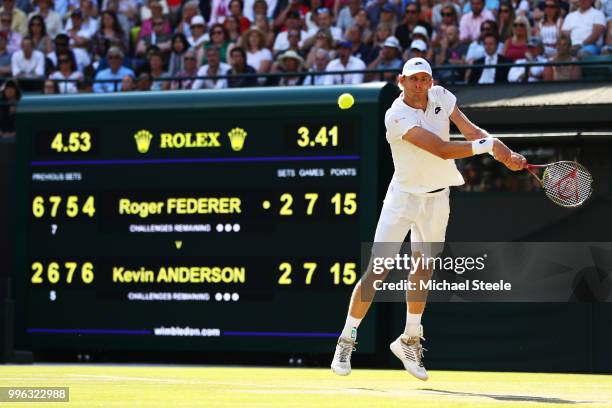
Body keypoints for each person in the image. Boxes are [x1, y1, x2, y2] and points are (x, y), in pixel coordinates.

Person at [330, 57, 526, 380]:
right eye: (413, 79)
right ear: (401, 81)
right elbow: (442, 149)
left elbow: (469, 130)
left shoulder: (442, 97)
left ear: (430, 82)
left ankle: (409, 339)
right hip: (402, 199)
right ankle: (346, 339)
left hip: (437, 199)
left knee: (423, 269)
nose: (420, 84)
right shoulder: (395, 116)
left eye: (424, 78)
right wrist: (490, 146)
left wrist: (500, 152)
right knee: (378, 270)